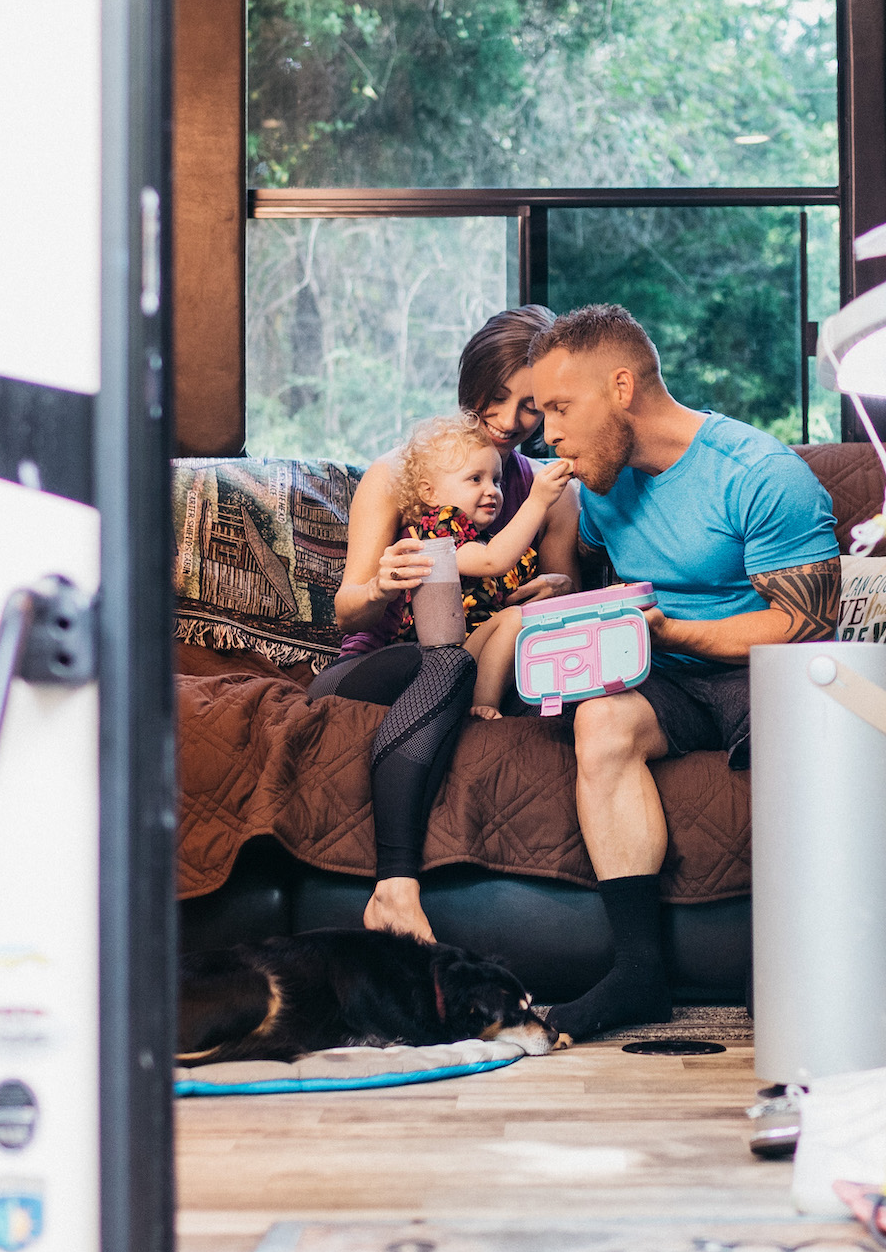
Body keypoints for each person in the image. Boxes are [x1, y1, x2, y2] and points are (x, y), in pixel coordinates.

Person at [517, 302, 839, 1040]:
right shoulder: (602, 486)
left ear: (623, 387)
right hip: (664, 667)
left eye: (561, 408)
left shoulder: (759, 474)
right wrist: (563, 598)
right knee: (600, 718)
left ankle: (789, 954)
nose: (549, 433)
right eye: (541, 414)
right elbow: (603, 577)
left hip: (760, 661)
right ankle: (638, 975)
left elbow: (807, 620)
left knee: (807, 728)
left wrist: (675, 629)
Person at [312, 305, 584, 943]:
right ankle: (396, 885)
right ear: (471, 388)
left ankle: (394, 893)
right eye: (498, 399)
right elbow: (346, 609)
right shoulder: (398, 476)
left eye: (532, 406)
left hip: (485, 657)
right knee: (449, 662)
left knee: (461, 659)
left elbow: (558, 603)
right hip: (374, 664)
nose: (513, 423)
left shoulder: (551, 492)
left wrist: (543, 595)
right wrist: (382, 584)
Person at [377, 411, 576, 717]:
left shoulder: (482, 538)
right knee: (514, 619)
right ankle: (482, 705)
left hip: (473, 652)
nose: (491, 490)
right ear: (429, 492)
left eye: (496, 480)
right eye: (475, 479)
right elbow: (493, 561)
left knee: (526, 622)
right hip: (437, 662)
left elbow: (501, 570)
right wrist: (537, 501)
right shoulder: (437, 532)